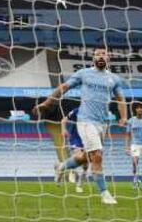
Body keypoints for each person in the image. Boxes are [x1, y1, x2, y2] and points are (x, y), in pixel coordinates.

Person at [33, 48, 127, 205]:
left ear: (108, 58)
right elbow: (64, 87)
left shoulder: (114, 79)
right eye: (98, 54)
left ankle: (62, 166)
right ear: (93, 58)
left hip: (102, 123)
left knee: (85, 158)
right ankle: (105, 193)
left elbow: (121, 99)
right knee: (97, 155)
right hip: (85, 121)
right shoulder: (84, 73)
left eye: (104, 54)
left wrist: (123, 117)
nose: (101, 56)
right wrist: (48, 102)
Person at [60, 107, 89, 193]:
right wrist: (63, 129)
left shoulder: (94, 111)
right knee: (79, 157)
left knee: (86, 165)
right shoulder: (77, 110)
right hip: (76, 138)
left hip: (88, 139)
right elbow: (63, 120)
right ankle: (62, 168)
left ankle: (79, 185)